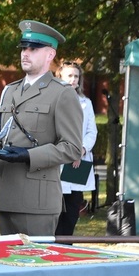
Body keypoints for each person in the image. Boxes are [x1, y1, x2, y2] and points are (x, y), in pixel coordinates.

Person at [0, 20, 83, 276]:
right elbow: (3, 137)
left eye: (33, 48)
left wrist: (29, 156)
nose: (26, 53)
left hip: (37, 202)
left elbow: (72, 147)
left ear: (50, 55)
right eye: (24, 47)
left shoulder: (63, 94)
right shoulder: (10, 91)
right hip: (6, 195)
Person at [55, 61, 97, 236]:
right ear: (60, 77)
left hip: (79, 160)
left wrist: (83, 149)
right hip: (60, 159)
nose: (73, 80)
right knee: (57, 205)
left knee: (73, 206)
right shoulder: (54, 100)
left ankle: (67, 243)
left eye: (76, 76)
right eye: (69, 76)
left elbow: (91, 131)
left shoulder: (86, 102)